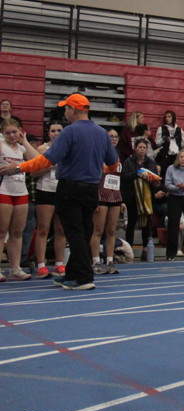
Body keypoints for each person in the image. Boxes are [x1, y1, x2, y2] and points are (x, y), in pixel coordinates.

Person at [1, 94, 117, 290]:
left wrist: (19, 167)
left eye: (66, 109)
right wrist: (95, 167)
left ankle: (83, 277)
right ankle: (73, 273)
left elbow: (47, 159)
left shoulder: (69, 132)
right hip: (91, 189)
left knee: (74, 233)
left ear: (73, 110)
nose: (64, 113)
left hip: (70, 188)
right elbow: (113, 164)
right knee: (83, 230)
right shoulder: (102, 133)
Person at [0, 120, 40, 280]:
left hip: (21, 192)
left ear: (20, 131)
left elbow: (38, 161)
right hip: (4, 190)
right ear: (2, 133)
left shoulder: (22, 148)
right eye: (7, 133)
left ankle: (15, 268)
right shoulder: (2, 146)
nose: (11, 135)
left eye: (14, 132)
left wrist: (24, 141)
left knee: (17, 232)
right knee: (1, 231)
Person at [30, 121, 67, 279]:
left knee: (61, 229)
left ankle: (59, 264)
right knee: (43, 228)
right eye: (53, 131)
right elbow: (34, 173)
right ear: (48, 133)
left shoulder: (68, 149)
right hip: (45, 190)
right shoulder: (42, 149)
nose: (56, 134)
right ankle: (41, 265)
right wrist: (50, 165)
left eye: (59, 130)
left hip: (62, 190)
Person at [91, 128, 123, 275]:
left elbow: (119, 179)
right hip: (101, 196)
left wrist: (122, 200)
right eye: (111, 136)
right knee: (98, 230)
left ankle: (109, 260)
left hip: (115, 196)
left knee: (111, 231)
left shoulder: (119, 155)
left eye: (116, 136)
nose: (114, 139)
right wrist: (94, 198)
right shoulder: (99, 155)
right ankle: (96, 261)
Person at [121, 138, 162, 247]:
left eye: (144, 147)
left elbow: (155, 178)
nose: (142, 149)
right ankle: (128, 248)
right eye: (140, 147)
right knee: (131, 223)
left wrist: (154, 181)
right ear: (135, 148)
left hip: (146, 197)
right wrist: (137, 174)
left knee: (146, 224)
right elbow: (124, 177)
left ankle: (145, 248)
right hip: (132, 197)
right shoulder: (128, 162)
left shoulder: (151, 162)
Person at [155, 110, 184, 176]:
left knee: (176, 174)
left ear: (173, 118)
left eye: (169, 117)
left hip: (176, 156)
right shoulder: (161, 129)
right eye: (166, 117)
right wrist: (164, 139)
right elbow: (157, 143)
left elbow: (182, 144)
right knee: (165, 174)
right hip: (165, 156)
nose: (167, 118)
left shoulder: (179, 130)